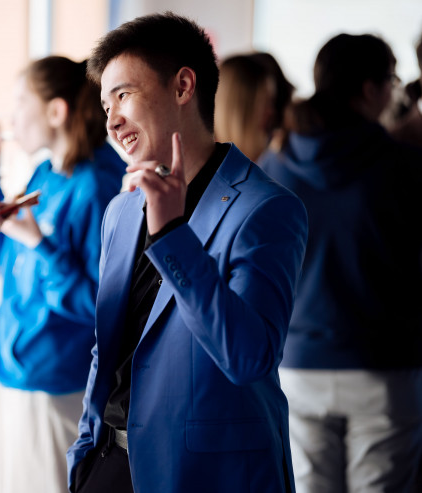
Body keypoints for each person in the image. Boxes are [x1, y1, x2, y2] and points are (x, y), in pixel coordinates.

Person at [66, 12, 308, 492]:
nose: (111, 120)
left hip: (208, 475)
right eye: (105, 103)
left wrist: (173, 234)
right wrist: (85, 449)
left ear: (182, 86)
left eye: (123, 95)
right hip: (109, 462)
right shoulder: (120, 209)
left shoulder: (266, 208)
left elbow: (249, 358)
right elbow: (107, 345)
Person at [260, 33, 422, 492]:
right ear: (370, 89)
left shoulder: (274, 163)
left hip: (296, 363)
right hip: (383, 365)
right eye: (391, 80)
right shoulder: (403, 165)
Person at [0, 55, 127, 493]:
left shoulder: (99, 185)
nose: (11, 117)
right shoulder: (47, 172)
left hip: (59, 381)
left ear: (56, 111)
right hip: (19, 369)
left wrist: (40, 244)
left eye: (21, 102)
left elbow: (101, 304)